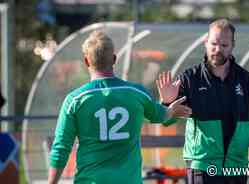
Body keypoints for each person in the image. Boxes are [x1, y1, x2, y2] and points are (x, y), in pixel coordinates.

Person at [48, 31, 192, 184]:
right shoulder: (137, 93)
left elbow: (61, 148)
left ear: (86, 61)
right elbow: (163, 117)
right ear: (114, 59)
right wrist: (168, 103)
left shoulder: (75, 100)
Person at [156, 19, 249, 184]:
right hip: (202, 167)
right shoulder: (190, 79)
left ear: (232, 46)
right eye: (214, 43)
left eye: (224, 45)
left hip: (236, 168)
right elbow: (166, 121)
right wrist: (166, 104)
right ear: (206, 43)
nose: (218, 49)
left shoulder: (246, 80)